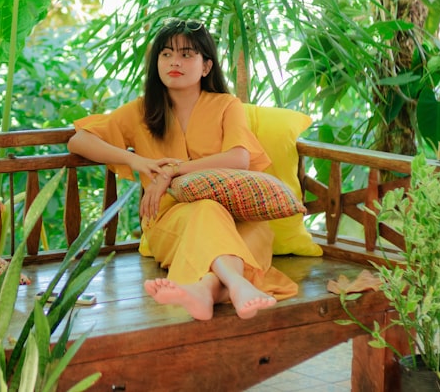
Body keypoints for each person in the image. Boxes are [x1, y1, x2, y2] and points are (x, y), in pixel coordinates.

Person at [67, 18, 297, 320]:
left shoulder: (227, 105)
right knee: (206, 210)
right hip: (172, 221)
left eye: (187, 54)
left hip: (239, 217)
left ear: (205, 66)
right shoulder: (141, 109)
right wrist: (136, 160)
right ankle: (237, 284)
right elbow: (79, 140)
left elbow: (239, 158)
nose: (175, 61)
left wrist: (171, 172)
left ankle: (207, 290)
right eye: (166, 54)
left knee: (253, 231)